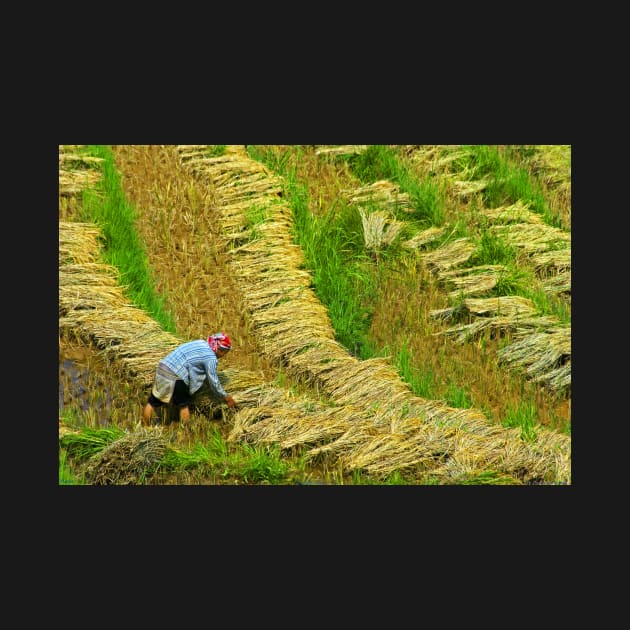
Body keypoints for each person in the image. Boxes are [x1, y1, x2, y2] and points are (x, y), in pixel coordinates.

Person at [142, 332, 237, 426]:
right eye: (224, 352)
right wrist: (226, 397)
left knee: (152, 402)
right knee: (183, 406)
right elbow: (213, 381)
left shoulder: (200, 343)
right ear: (219, 349)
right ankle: (186, 430)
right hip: (177, 375)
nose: (223, 355)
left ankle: (146, 427)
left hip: (163, 367)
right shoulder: (211, 358)